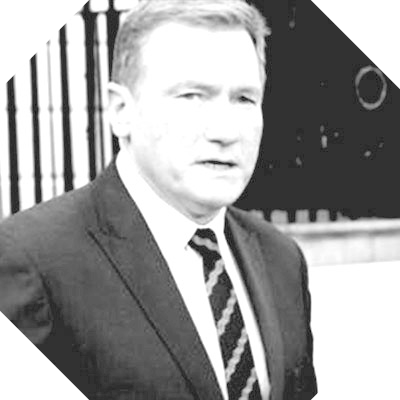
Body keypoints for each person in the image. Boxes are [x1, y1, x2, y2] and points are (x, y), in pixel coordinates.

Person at [0, 0, 317, 399]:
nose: (225, 131)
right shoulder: (32, 260)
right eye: (192, 96)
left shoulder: (281, 258)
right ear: (121, 111)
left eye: (244, 99)